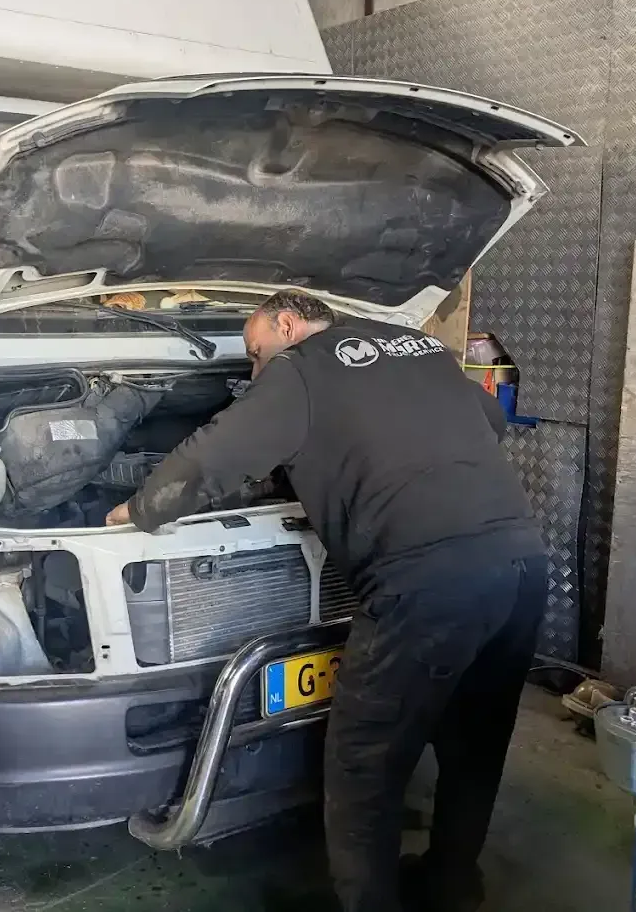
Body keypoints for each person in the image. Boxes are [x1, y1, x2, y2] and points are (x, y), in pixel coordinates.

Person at [106, 290, 548, 912]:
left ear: (285, 325)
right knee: (476, 740)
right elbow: (491, 421)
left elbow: (211, 458)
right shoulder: (416, 346)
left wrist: (138, 509)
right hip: (520, 562)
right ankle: (453, 881)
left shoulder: (300, 368)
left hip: (424, 582)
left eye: (255, 353)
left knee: (365, 761)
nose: (254, 371)